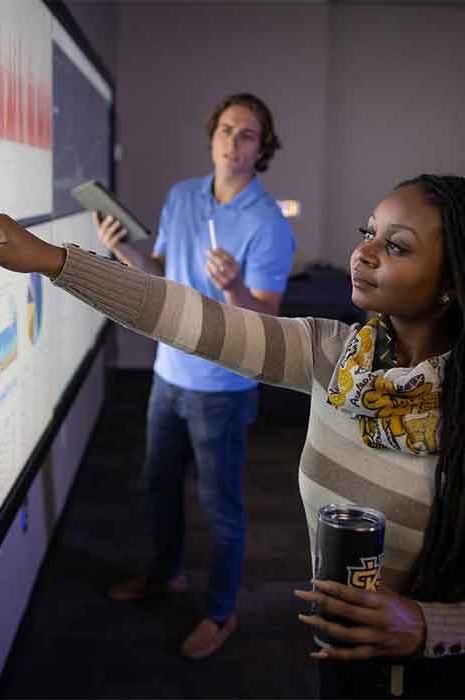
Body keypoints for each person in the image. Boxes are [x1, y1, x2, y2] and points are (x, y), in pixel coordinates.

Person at [0, 172, 465, 698]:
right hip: (345, 666)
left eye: (398, 245)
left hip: (456, 680)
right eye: (369, 234)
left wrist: (425, 625)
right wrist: (49, 260)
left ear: (453, 284)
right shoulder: (337, 360)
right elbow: (185, 317)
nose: (363, 252)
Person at [92, 93, 295, 659]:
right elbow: (162, 277)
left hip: (222, 388)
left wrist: (233, 289)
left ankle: (222, 612)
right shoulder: (181, 196)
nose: (233, 142)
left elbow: (268, 320)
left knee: (221, 506)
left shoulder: (268, 224)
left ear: (262, 150)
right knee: (158, 486)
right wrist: (125, 250)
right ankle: (167, 574)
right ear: (212, 136)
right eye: (226, 129)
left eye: (247, 134)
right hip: (168, 371)